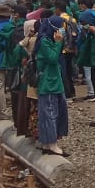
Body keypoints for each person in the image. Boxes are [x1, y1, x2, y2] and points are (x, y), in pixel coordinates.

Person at [35, 16, 69, 156]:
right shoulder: (45, 41)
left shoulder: (48, 40)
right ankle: (52, 144)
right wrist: (59, 43)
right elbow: (53, 58)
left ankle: (46, 143)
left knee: (52, 111)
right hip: (49, 82)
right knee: (50, 113)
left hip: (53, 81)